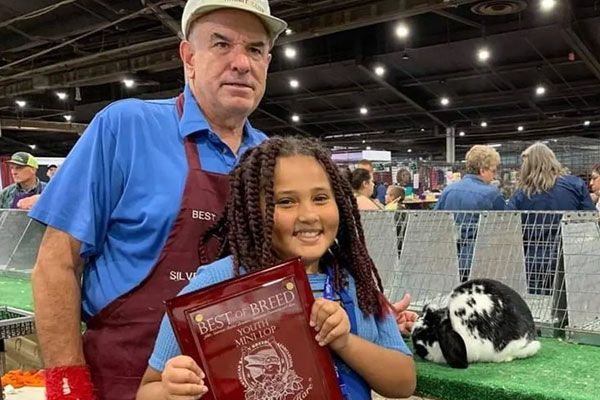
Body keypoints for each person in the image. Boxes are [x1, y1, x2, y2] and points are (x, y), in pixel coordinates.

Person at [28, 1, 287, 399]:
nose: (240, 62)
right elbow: (56, 262)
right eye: (221, 44)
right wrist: (68, 384)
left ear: (267, 62)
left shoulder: (272, 157)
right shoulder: (126, 127)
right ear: (189, 57)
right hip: (123, 378)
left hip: (235, 379)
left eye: (254, 49)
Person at [137, 136, 416, 400]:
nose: (308, 215)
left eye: (320, 198)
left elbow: (404, 383)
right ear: (253, 212)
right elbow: (147, 390)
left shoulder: (356, 284)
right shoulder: (212, 288)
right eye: (285, 201)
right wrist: (171, 389)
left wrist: (344, 342)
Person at [507, 142, 595, 294]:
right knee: (574, 307)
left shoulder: (521, 194)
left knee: (538, 306)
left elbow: (508, 225)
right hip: (571, 257)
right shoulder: (575, 185)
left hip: (535, 259)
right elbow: (591, 219)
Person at [435, 145, 505, 281]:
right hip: (481, 259)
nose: (494, 176)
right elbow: (505, 228)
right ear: (483, 170)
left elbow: (435, 221)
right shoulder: (492, 194)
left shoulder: (448, 191)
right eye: (493, 170)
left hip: (450, 258)